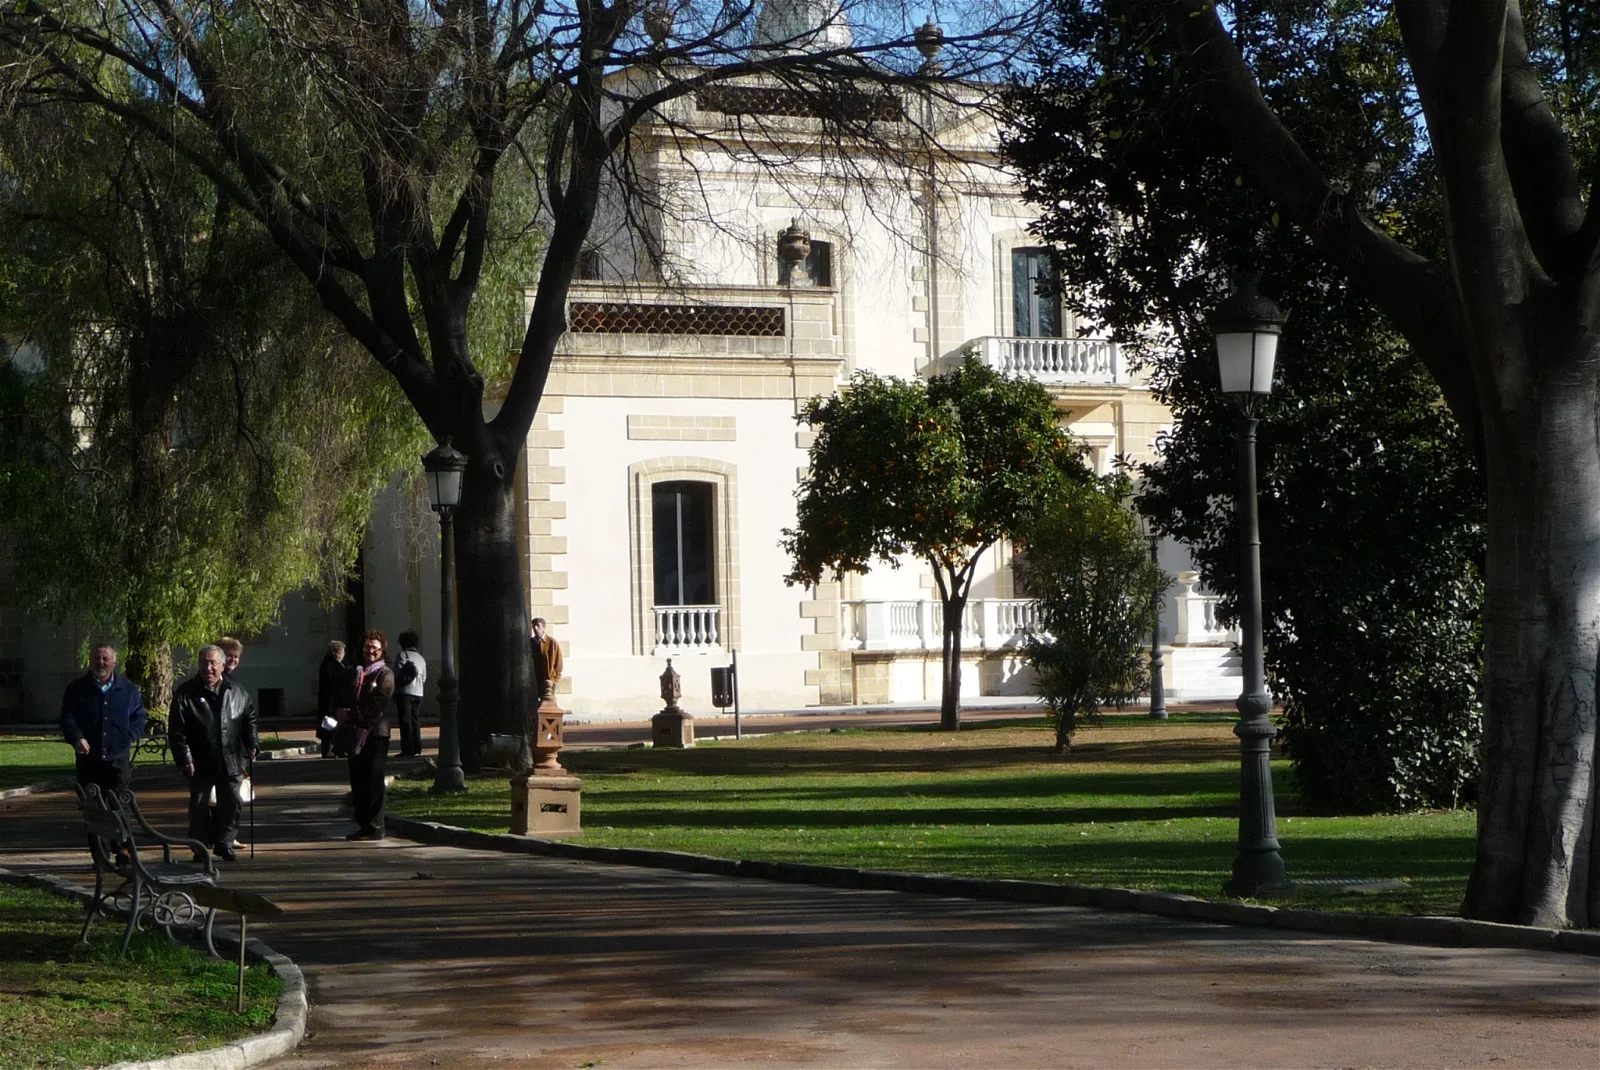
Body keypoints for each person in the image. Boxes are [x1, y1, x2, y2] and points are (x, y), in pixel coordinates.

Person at [169, 645, 257, 861]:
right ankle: (200, 847)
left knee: (232, 803)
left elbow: (249, 718)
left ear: (221, 665)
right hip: (200, 760)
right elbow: (177, 731)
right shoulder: (185, 693)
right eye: (204, 663)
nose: (208, 667)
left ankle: (225, 843)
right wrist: (185, 759)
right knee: (199, 806)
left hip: (231, 758)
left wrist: (252, 741)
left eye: (213, 663)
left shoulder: (236, 690)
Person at [59, 642, 146, 799]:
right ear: (90, 661)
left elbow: (139, 717)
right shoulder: (77, 688)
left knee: (120, 807)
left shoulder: (127, 689)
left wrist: (128, 736)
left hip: (118, 760)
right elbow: (67, 718)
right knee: (93, 809)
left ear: (114, 662)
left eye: (105, 658)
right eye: (97, 658)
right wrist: (77, 738)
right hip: (89, 761)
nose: (101, 662)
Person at [343, 629, 394, 841]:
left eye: (374, 647)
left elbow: (378, 703)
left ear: (382, 650)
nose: (370, 651)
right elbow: (344, 695)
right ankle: (363, 824)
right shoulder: (356, 672)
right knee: (358, 780)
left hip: (376, 734)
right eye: (367, 647)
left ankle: (375, 825)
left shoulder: (385, 674)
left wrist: (353, 714)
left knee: (374, 779)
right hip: (355, 733)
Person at [393, 631, 427, 757]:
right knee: (415, 720)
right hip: (418, 692)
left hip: (405, 692)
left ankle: (407, 748)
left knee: (405, 720)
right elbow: (424, 677)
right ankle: (417, 747)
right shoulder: (421, 658)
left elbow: (397, 674)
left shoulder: (402, 655)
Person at [316, 640, 349, 758]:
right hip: (330, 701)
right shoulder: (329, 665)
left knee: (339, 725)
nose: (344, 653)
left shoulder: (339, 664)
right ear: (337, 652)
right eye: (343, 651)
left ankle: (338, 748)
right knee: (328, 725)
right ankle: (328, 750)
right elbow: (331, 684)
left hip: (338, 701)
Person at [530, 617, 563, 702]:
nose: (535, 628)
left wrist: (554, 679)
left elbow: (558, 663)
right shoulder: (530, 642)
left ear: (544, 628)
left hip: (548, 680)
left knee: (549, 704)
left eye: (538, 626)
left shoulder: (552, 642)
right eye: (534, 626)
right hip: (534, 680)